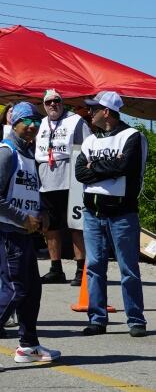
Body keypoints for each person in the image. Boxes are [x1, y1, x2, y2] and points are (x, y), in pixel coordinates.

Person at [0, 102, 60, 372]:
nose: (32, 127)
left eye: (36, 123)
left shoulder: (28, 154)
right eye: (27, 122)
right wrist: (22, 217)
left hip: (24, 232)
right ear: (14, 123)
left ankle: (28, 345)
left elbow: (33, 191)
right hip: (6, 230)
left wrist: (41, 212)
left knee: (32, 288)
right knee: (15, 287)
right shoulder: (5, 152)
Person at [75, 91, 147, 338]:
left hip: (122, 214)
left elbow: (126, 166)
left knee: (128, 268)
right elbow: (79, 173)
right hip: (92, 213)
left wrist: (93, 166)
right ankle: (97, 319)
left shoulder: (132, 137)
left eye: (93, 109)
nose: (89, 113)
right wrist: (107, 169)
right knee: (94, 266)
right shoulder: (90, 140)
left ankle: (135, 319)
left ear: (106, 112)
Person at [35, 89, 91, 285]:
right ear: (44, 105)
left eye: (56, 101)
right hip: (46, 180)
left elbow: (88, 146)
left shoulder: (75, 121)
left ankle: (80, 269)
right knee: (51, 227)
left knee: (76, 226)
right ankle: (55, 269)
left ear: (62, 102)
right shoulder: (41, 123)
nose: (53, 105)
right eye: (48, 102)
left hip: (70, 180)